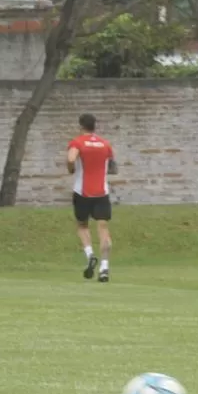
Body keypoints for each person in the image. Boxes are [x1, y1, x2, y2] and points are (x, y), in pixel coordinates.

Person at [67, 113, 117, 283]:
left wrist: (71, 168)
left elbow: (71, 158)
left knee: (82, 226)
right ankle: (104, 267)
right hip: (101, 192)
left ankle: (90, 256)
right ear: (95, 126)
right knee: (103, 229)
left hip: (82, 192)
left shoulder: (78, 142)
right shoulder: (105, 144)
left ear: (81, 126)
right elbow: (113, 167)